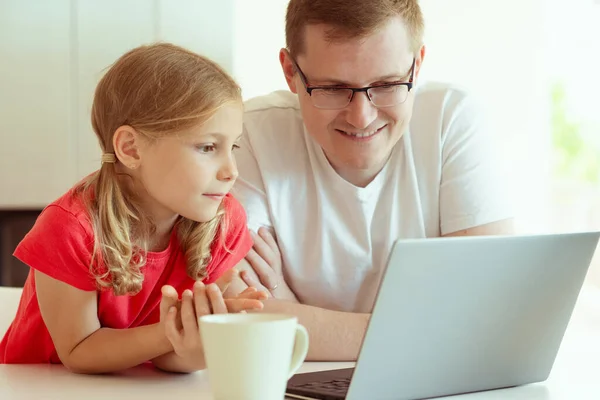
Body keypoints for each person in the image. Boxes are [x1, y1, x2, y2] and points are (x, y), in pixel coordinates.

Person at [227, 0, 515, 361]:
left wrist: (285, 305)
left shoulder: (451, 119)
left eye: (387, 84)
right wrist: (431, 333)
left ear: (418, 64)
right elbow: (234, 315)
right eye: (333, 88)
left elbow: (494, 314)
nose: (361, 117)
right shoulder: (248, 133)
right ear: (290, 72)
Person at [0, 43, 267, 373]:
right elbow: (79, 351)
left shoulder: (221, 221)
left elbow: (168, 358)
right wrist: (172, 332)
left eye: (233, 146)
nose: (231, 171)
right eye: (208, 147)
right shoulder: (70, 228)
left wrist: (198, 344)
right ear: (131, 148)